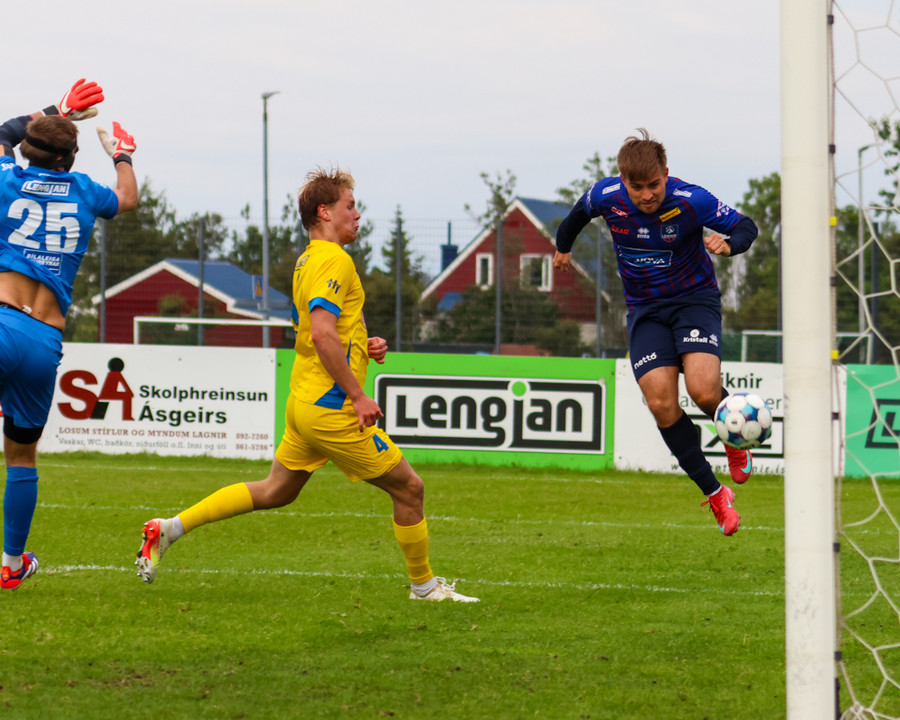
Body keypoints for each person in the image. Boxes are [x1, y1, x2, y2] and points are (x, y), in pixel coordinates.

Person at [136, 167, 478, 602]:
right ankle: (425, 588)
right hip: (330, 407)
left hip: (304, 399)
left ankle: (169, 529)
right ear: (325, 212)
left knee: (275, 490)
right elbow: (321, 333)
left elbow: (326, 329)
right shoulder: (335, 260)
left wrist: (363, 343)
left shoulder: (309, 259)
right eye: (350, 205)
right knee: (410, 488)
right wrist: (357, 395)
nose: (357, 214)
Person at [554, 129, 758, 536]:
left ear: (666, 174)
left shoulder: (691, 199)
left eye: (654, 185)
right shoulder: (605, 195)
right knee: (660, 403)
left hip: (694, 301)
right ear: (622, 180)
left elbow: (745, 226)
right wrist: (563, 247)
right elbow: (576, 215)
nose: (647, 195)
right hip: (645, 311)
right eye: (637, 187)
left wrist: (729, 245)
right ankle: (716, 495)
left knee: (703, 391)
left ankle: (734, 437)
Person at [0, 79, 138, 589]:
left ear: (27, 150)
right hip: (43, 342)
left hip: (1, 320)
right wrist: (122, 154)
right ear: (70, 159)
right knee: (21, 456)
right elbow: (128, 197)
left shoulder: (6, 178)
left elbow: (2, 132)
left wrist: (55, 109)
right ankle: (11, 563)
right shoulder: (83, 190)